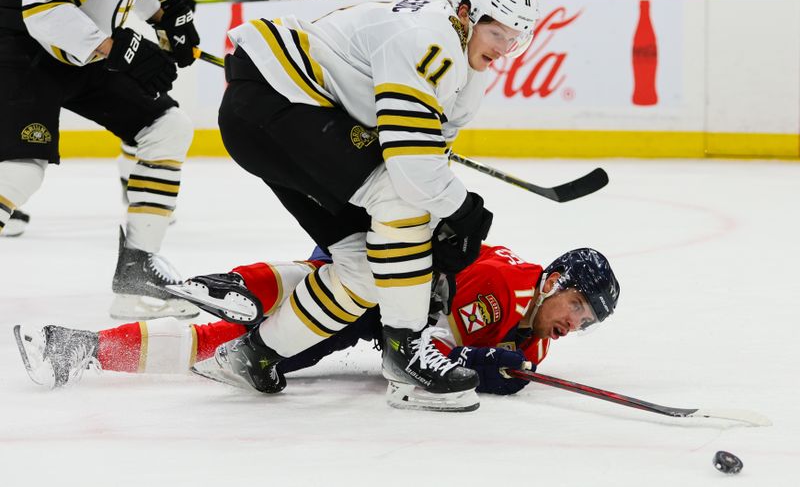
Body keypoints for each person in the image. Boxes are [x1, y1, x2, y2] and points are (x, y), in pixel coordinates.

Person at [204, 0, 538, 411]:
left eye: (514, 38)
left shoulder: (462, 63)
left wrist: (449, 217)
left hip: (275, 116)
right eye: (497, 32)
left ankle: (253, 355)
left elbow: (427, 158)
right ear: (466, 13)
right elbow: (412, 171)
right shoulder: (432, 42)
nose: (504, 48)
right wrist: (462, 212)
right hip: (276, 102)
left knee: (364, 265)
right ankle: (406, 353)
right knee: (401, 203)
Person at [13, 245, 620, 410]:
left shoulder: (535, 319)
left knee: (261, 337)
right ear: (555, 281)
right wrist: (486, 370)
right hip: (377, 298)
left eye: (588, 323)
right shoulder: (497, 287)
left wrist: (501, 368)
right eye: (580, 309)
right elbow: (415, 352)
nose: (577, 324)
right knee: (246, 346)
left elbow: (515, 361)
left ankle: (221, 285)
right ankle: (83, 346)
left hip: (376, 292)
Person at [0, 0, 201, 319]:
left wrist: (163, 17)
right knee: (19, 173)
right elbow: (43, 3)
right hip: (22, 35)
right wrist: (120, 49)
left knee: (166, 127)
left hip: (78, 40)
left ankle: (136, 275)